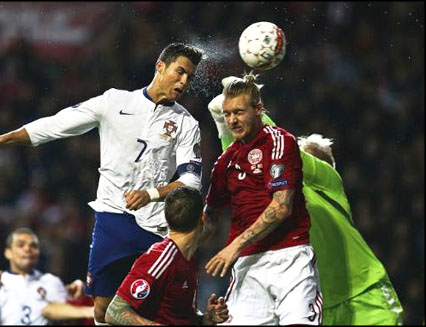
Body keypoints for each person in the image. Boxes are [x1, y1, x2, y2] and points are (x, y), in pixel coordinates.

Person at [0, 42, 205, 324]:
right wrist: (1, 139)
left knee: (155, 307)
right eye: (179, 72)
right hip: (112, 217)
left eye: (189, 77)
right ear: (160, 67)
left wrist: (152, 194)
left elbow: (190, 181)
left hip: (156, 226)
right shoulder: (115, 102)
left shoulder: (186, 123)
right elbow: (57, 124)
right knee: (102, 310)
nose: (183, 81)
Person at [207, 75, 404, 325]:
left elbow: (273, 142)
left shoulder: (330, 184)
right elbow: (246, 160)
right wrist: (224, 125)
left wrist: (247, 107)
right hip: (318, 300)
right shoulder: (281, 189)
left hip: (365, 297)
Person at [203, 73, 322, 325]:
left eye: (239, 112)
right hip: (248, 266)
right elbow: (211, 216)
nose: (232, 120)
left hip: (290, 258)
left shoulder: (279, 142)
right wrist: (175, 241)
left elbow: (280, 207)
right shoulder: (225, 163)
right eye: (227, 114)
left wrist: (233, 246)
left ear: (259, 109)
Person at [105, 186, 229, 325]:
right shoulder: (160, 257)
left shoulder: (186, 259)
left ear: (166, 218)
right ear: (202, 217)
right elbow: (114, 312)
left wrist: (206, 319)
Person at [0, 227, 94, 325]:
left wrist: (80, 289)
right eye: (21, 245)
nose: (28, 249)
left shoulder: (51, 281)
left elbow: (66, 317)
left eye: (33, 246)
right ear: (8, 253)